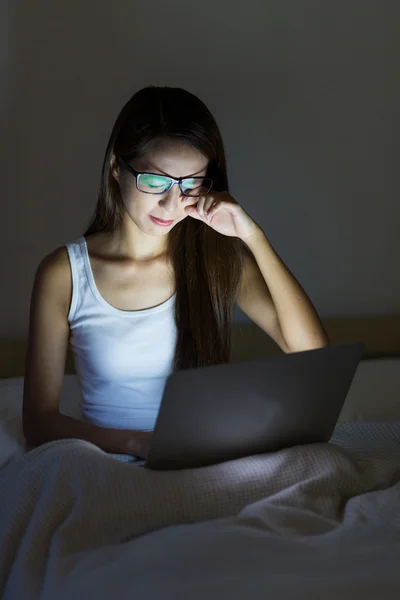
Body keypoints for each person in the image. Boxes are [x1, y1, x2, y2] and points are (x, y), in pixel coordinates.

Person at [22, 85, 329, 461]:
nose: (171, 203)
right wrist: (137, 444)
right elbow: (39, 421)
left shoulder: (216, 262)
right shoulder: (64, 274)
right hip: (106, 462)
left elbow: (312, 354)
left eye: (190, 184)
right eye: (155, 182)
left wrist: (252, 235)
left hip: (200, 460)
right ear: (117, 168)